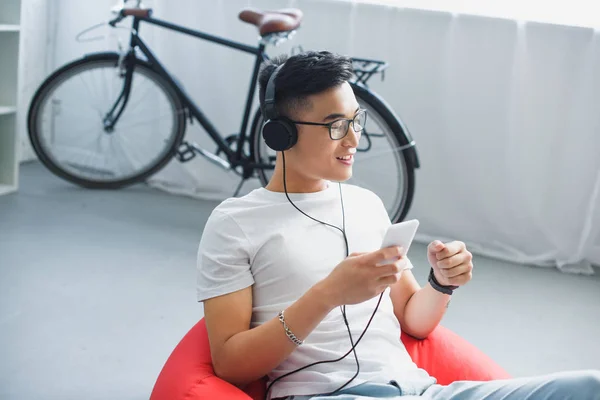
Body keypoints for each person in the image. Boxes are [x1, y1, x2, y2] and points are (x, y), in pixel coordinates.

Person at [196, 51, 600, 400]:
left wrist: (441, 283)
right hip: (321, 394)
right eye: (337, 126)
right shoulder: (236, 223)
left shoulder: (366, 205)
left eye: (357, 121)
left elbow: (413, 318)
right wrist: (326, 295)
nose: (353, 139)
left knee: (589, 386)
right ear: (281, 134)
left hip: (419, 389)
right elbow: (231, 364)